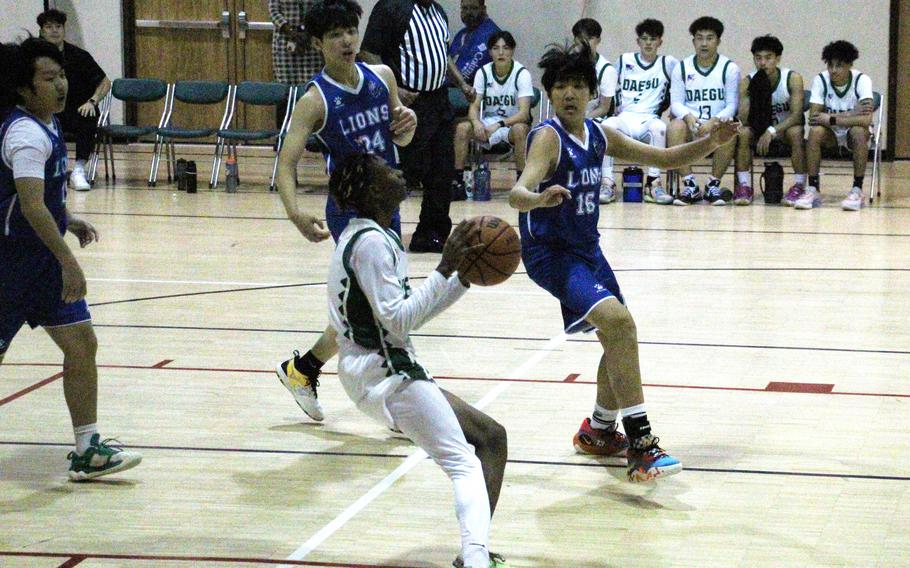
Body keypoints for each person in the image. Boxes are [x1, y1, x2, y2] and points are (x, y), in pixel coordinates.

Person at [508, 43, 738, 482]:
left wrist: (712, 141)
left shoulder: (598, 133)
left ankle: (597, 431)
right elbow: (518, 193)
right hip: (551, 255)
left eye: (578, 85)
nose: (569, 93)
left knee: (619, 334)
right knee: (620, 324)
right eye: (560, 86)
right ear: (550, 94)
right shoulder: (547, 137)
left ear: (592, 92)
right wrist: (537, 199)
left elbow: (666, 158)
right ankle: (642, 445)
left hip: (587, 249)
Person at [327, 152, 510, 568]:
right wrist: (444, 266)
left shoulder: (371, 235)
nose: (399, 172)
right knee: (464, 462)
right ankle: (476, 557)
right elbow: (399, 321)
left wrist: (459, 277)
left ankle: (474, 549)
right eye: (388, 170)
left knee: (490, 438)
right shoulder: (371, 243)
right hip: (385, 372)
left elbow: (405, 313)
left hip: (379, 369)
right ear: (374, 191)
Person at [0, 37, 141, 481]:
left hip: (40, 265)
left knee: (82, 344)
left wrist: (69, 219)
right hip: (10, 267)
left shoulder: (47, 124)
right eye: (48, 78)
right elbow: (30, 205)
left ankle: (88, 449)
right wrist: (69, 261)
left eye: (61, 75)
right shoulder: (25, 134)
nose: (61, 85)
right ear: (24, 89)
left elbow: (42, 202)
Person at [273, 0, 416, 421]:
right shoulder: (315, 100)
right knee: (384, 309)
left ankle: (303, 370)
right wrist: (294, 212)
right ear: (318, 43)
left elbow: (399, 139)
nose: (347, 40)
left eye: (350, 31)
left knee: (368, 308)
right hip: (350, 213)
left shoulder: (382, 76)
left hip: (386, 204)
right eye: (335, 34)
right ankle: (400, 398)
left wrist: (407, 128)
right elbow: (286, 162)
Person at [361, 0, 456, 253]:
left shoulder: (439, 12)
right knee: (406, 172)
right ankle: (380, 229)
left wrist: (460, 83)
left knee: (442, 171)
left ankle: (431, 233)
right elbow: (369, 53)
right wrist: (394, 91)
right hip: (408, 105)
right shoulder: (391, 7)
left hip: (440, 101)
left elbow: (441, 55)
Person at [667, 16, 741, 206]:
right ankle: (690, 186)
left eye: (709, 38)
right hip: (692, 125)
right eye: (699, 38)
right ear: (693, 41)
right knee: (675, 126)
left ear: (718, 41)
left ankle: (712, 186)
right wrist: (688, 116)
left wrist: (714, 121)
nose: (704, 43)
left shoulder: (729, 68)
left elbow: (732, 105)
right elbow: (675, 102)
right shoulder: (682, 67)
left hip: (715, 124)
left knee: (729, 128)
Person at [452, 31, 533, 199]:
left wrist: (500, 124)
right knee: (462, 128)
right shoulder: (483, 72)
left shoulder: (522, 74)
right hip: (488, 122)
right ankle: (458, 182)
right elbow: (474, 106)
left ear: (512, 51)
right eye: (496, 48)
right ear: (490, 52)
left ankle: (522, 183)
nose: (501, 53)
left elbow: (524, 113)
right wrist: (476, 123)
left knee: (520, 130)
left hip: (511, 124)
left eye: (505, 48)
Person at [37, 9, 110, 192]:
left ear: (64, 29)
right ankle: (43, 170)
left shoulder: (79, 56)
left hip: (77, 109)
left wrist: (92, 101)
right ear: (41, 31)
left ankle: (78, 170)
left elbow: (104, 82)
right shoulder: (35, 58)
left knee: (88, 116)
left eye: (58, 26)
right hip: (48, 111)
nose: (54, 30)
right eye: (49, 27)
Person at [606, 18, 677, 204]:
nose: (648, 43)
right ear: (638, 41)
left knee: (660, 128)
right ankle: (607, 183)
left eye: (653, 39)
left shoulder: (668, 63)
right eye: (644, 39)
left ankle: (653, 184)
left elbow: (680, 85)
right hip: (625, 117)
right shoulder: (623, 60)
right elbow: (610, 87)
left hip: (649, 118)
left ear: (660, 42)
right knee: (606, 126)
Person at [799, 40, 874, 211]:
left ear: (850, 65)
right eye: (830, 65)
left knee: (858, 132)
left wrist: (832, 118)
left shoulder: (862, 80)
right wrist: (851, 114)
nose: (833, 70)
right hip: (830, 134)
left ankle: (857, 189)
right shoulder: (821, 80)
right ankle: (813, 188)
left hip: (851, 133)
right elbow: (814, 118)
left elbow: (866, 120)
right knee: (815, 132)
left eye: (839, 66)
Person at [733, 35, 806, 206]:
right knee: (743, 133)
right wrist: (754, 92)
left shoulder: (792, 78)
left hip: (783, 130)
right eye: (758, 58)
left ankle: (800, 185)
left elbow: (796, 115)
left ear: (778, 58)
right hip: (759, 130)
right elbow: (743, 119)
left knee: (796, 132)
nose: (763, 63)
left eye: (768, 58)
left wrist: (772, 131)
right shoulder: (748, 82)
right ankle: (744, 186)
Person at [571, 18, 618, 204]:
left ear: (597, 40)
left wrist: (582, 119)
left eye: (588, 39)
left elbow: (604, 107)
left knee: (603, 129)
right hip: (570, 115)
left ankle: (607, 182)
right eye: (579, 39)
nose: (583, 44)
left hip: (594, 118)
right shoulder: (569, 65)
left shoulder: (607, 70)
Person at [269, 0, 325, 129]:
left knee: (311, 88)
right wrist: (291, 32)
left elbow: (321, 10)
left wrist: (308, 32)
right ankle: (283, 135)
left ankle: (312, 136)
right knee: (285, 92)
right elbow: (273, 12)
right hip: (285, 43)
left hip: (311, 42)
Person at [448, 0, 501, 103]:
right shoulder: (462, 34)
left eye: (473, 8)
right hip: (454, 88)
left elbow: (466, 73)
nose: (468, 13)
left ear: (483, 9)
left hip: (476, 94)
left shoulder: (491, 34)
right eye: (464, 8)